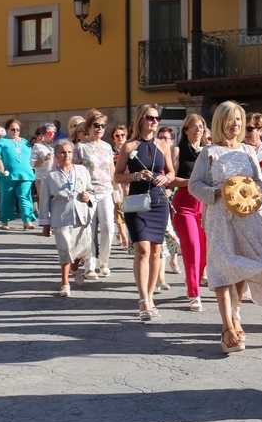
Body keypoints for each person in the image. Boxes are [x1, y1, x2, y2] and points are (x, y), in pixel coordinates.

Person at [188, 100, 262, 353]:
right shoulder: (208, 152)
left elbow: (256, 183)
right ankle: (227, 328)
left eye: (239, 119)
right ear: (220, 121)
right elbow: (194, 185)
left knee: (244, 265)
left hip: (245, 217)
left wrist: (252, 194)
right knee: (222, 267)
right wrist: (219, 192)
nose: (236, 124)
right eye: (231, 119)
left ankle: (235, 313)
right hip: (219, 217)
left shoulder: (247, 150)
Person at [115, 104, 175, 320]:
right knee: (142, 249)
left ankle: (150, 297)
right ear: (141, 119)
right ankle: (142, 300)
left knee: (156, 251)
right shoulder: (129, 146)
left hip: (159, 201)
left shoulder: (163, 145)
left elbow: (171, 172)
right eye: (150, 117)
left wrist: (166, 178)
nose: (154, 121)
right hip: (137, 202)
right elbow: (117, 175)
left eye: (157, 118)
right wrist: (135, 176)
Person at [39, 142, 94, 297]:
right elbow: (44, 201)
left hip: (81, 215)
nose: (66, 155)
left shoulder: (82, 170)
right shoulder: (49, 176)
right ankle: (64, 282)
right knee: (64, 249)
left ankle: (74, 268)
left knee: (83, 248)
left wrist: (89, 197)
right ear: (57, 155)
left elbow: (91, 190)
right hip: (61, 217)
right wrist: (45, 223)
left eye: (69, 152)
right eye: (63, 152)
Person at [168, 113, 208, 311]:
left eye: (201, 126)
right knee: (192, 247)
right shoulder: (178, 150)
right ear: (186, 130)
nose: (198, 129)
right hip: (184, 204)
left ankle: (195, 280)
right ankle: (194, 293)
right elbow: (171, 178)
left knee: (205, 252)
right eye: (194, 126)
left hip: (205, 204)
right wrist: (193, 182)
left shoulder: (208, 151)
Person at [75, 111, 117, 281]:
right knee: (89, 230)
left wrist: (118, 188)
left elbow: (111, 169)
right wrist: (79, 191)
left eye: (102, 126)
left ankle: (104, 262)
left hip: (106, 191)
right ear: (88, 127)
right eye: (96, 125)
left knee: (108, 228)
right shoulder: (80, 147)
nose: (100, 128)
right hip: (89, 192)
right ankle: (89, 266)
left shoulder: (107, 147)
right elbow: (75, 171)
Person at [0, 119, 36, 230]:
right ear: (7, 130)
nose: (15, 132)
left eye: (17, 130)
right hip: (8, 175)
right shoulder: (1, 142)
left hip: (25, 175)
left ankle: (27, 220)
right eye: (13, 129)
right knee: (7, 198)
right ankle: (4, 220)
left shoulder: (25, 142)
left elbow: (33, 155)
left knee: (25, 196)